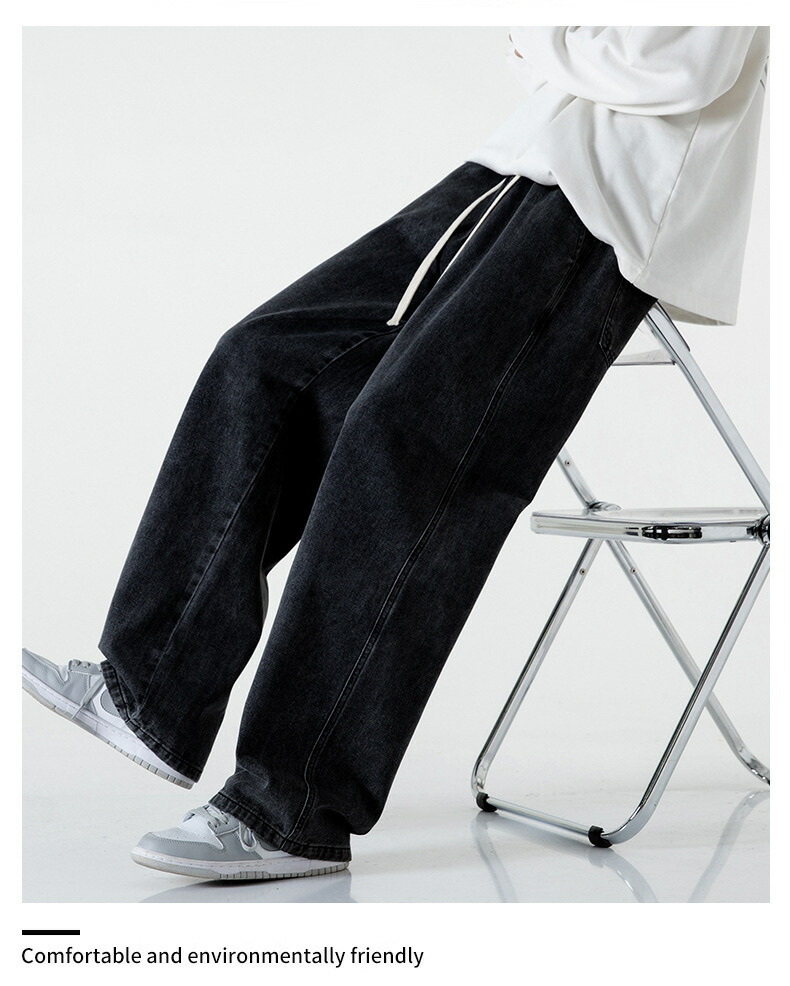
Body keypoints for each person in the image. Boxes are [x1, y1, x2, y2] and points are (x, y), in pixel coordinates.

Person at [23, 26, 769, 881]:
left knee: (404, 448)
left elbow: (689, 63)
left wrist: (545, 36)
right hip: (519, 166)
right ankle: (150, 685)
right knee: (264, 360)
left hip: (613, 206)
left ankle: (292, 806)